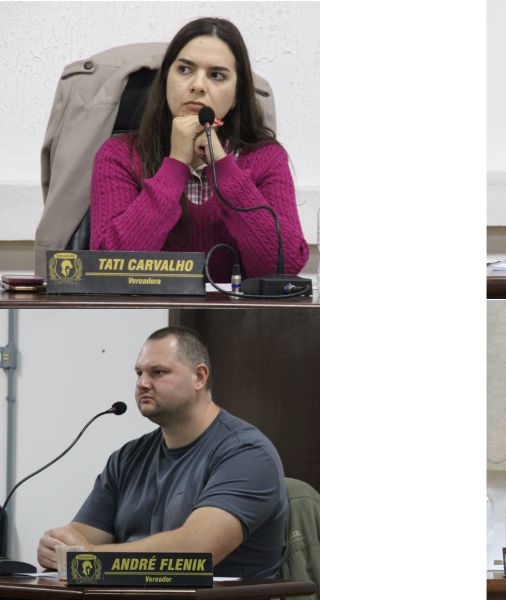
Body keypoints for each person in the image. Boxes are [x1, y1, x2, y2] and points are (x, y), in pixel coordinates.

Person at [37, 326, 288, 579]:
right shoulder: (127, 458)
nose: (142, 383)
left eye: (158, 372)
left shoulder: (247, 454)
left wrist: (91, 557)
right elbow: (79, 540)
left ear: (199, 377)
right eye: (139, 373)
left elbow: (195, 551)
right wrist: (55, 546)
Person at [89, 18, 309, 282]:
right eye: (184, 70)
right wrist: (175, 165)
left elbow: (281, 271)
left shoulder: (266, 159)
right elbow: (106, 269)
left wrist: (224, 166)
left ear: (238, 94)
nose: (198, 85)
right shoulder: (119, 155)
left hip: (237, 317)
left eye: (216, 75)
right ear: (165, 80)